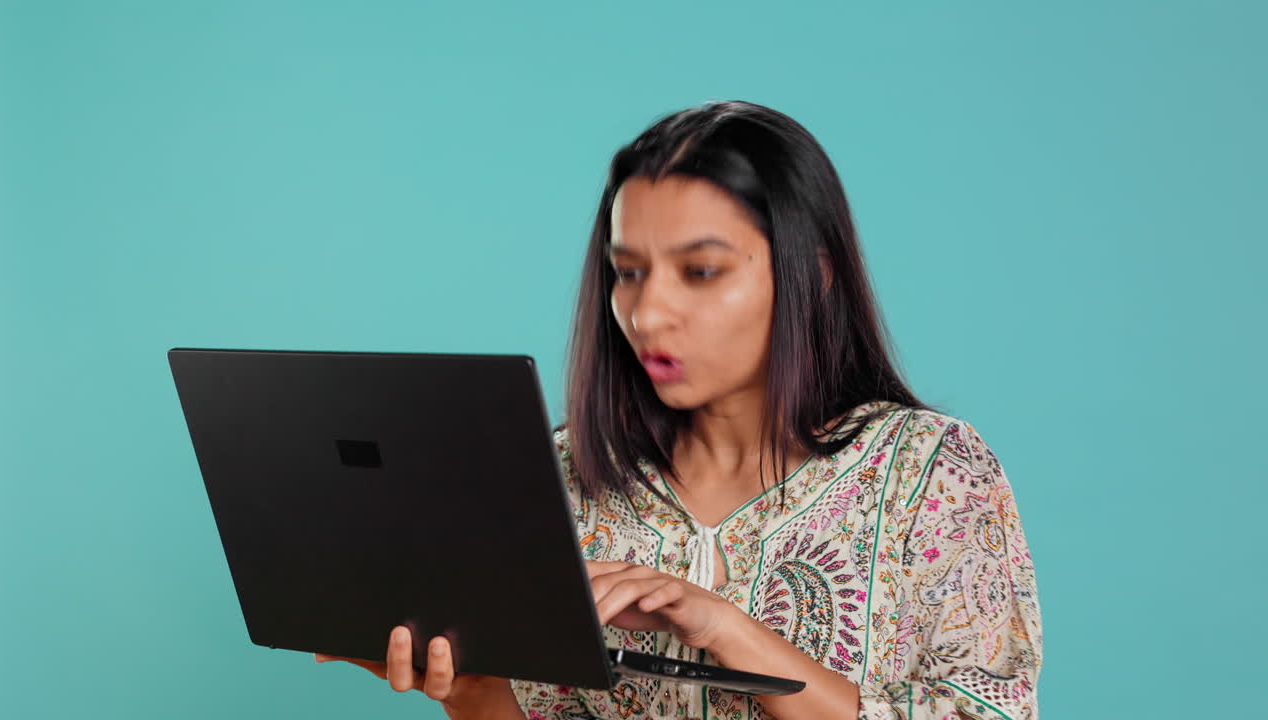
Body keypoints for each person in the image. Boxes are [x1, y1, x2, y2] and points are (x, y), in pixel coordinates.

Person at [313, 100, 1043, 720]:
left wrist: (726, 629)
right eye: (628, 272)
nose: (648, 311)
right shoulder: (560, 474)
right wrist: (472, 693)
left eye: (700, 271)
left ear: (812, 272)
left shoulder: (932, 472)